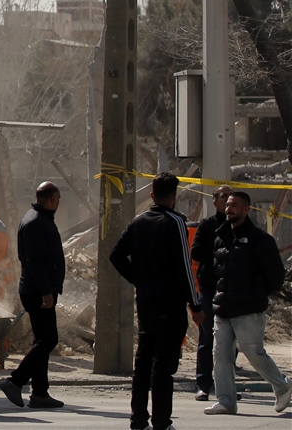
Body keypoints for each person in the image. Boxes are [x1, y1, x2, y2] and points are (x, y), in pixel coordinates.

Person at [109, 173, 205, 430]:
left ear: (152, 195)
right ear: (174, 196)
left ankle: (138, 419)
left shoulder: (138, 221)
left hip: (147, 304)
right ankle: (162, 422)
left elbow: (116, 255)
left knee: (143, 363)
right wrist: (195, 305)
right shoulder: (175, 222)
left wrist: (138, 279)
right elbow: (186, 268)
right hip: (170, 305)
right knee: (163, 367)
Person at [204, 191, 292, 415]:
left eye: (234, 205)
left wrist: (255, 292)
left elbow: (275, 276)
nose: (229, 209)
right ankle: (226, 401)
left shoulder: (260, 240)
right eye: (228, 205)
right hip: (223, 308)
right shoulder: (220, 238)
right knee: (220, 356)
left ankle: (282, 386)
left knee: (254, 353)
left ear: (246, 210)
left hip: (249, 309)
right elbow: (216, 271)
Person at [0, 182, 65, 409]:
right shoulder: (36, 222)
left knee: (42, 340)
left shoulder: (37, 218)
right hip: (37, 291)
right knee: (49, 340)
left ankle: (40, 393)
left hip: (37, 288)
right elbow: (34, 262)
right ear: (53, 199)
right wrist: (47, 291)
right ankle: (15, 381)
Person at [190, 184, 233, 401]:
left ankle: (226, 386)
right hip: (209, 289)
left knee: (229, 341)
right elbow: (196, 251)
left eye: (230, 196)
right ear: (214, 201)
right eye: (223, 196)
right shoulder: (207, 225)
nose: (227, 200)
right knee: (207, 338)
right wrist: (219, 255)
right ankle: (203, 384)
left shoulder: (239, 226)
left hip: (233, 291)